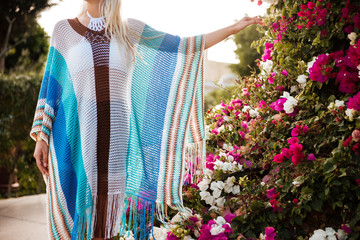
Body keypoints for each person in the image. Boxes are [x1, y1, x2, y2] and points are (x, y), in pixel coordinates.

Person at [31, 0, 262, 239]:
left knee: (106, 225)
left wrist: (233, 28)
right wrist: (42, 137)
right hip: (79, 137)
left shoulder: (129, 29)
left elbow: (184, 47)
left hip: (116, 142)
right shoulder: (64, 30)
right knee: (82, 219)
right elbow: (51, 89)